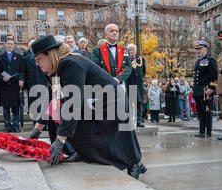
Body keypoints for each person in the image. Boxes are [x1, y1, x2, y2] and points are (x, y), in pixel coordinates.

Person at [27, 35, 146, 179]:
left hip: (112, 100)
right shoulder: (55, 70)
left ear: (49, 54)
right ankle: (82, 153)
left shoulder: (71, 64)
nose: (37, 63)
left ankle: (134, 163)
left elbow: (73, 103)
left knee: (116, 137)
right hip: (93, 100)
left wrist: (59, 141)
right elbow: (54, 99)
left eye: (39, 59)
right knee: (67, 119)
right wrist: (37, 129)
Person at [0, 37, 25, 133]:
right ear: (5, 45)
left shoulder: (19, 57)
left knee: (16, 106)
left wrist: (21, 79)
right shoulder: (0, 57)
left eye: (12, 44)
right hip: (4, 85)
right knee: (6, 107)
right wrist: (2, 77)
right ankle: (7, 125)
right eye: (8, 43)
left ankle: (16, 125)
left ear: (14, 45)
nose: (10, 45)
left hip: (15, 85)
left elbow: (22, 70)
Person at [192, 40, 218, 138]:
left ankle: (208, 132)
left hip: (205, 91)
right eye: (197, 49)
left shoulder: (210, 60)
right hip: (198, 91)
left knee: (206, 112)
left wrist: (211, 88)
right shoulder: (198, 61)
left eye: (200, 49)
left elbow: (215, 75)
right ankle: (201, 131)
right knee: (200, 112)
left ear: (205, 49)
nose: (198, 51)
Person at [23, 38, 49, 116]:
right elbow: (24, 73)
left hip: (43, 83)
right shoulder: (26, 59)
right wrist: (25, 86)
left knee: (43, 103)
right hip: (31, 84)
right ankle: (35, 124)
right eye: (31, 47)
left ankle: (44, 123)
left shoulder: (44, 57)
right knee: (33, 105)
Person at [126, 44, 146, 127]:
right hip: (129, 84)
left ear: (136, 50)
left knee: (138, 103)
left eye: (133, 50)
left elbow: (144, 71)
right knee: (129, 103)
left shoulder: (141, 59)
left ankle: (139, 121)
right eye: (130, 50)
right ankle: (129, 120)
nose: (131, 51)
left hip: (138, 85)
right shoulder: (125, 59)